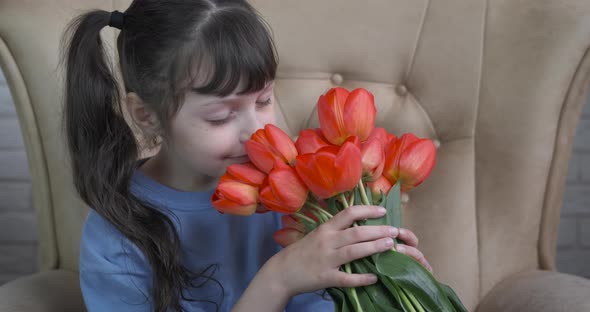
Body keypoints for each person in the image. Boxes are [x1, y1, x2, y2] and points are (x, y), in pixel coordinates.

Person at [61, 1, 432, 311]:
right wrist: (279, 278)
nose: (255, 130)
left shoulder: (299, 192)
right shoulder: (117, 234)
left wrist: (391, 275)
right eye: (221, 116)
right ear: (147, 115)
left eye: (264, 100)